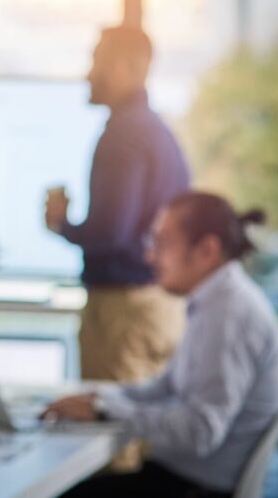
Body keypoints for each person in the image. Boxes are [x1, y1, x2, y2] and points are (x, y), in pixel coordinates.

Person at [45, 191, 278, 498]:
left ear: (207, 250)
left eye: (161, 243)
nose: (149, 256)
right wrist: (102, 398)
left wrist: (108, 410)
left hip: (195, 488)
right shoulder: (216, 302)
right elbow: (166, 387)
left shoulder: (230, 315)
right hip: (180, 478)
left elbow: (201, 430)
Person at [45, 26, 189, 383]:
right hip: (158, 304)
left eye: (96, 61)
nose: (88, 74)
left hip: (123, 310)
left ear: (121, 67)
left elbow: (110, 233)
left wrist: (62, 223)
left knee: (114, 429)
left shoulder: (123, 134)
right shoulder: (157, 130)